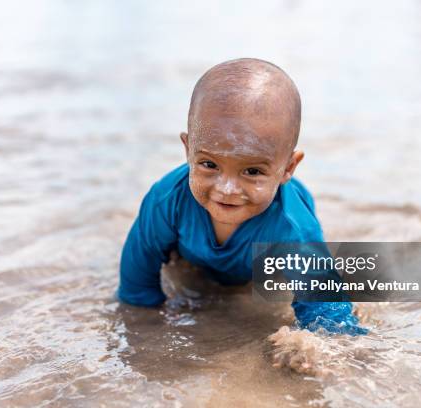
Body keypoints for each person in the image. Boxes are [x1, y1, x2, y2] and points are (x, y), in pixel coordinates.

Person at [115, 58, 366, 335]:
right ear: (188, 150)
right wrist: (149, 333)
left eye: (252, 171)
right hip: (195, 260)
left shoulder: (292, 229)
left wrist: (328, 348)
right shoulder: (166, 200)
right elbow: (137, 285)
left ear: (288, 168)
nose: (227, 189)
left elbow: (330, 318)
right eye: (209, 165)